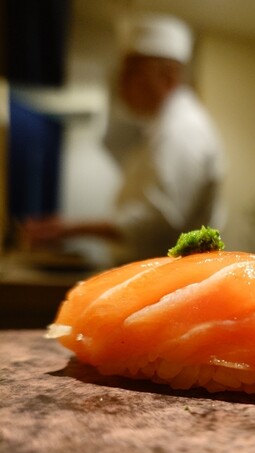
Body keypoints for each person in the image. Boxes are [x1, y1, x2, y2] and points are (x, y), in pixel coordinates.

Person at [23, 14, 226, 265]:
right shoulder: (161, 126)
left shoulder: (184, 129)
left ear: (168, 76)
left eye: (133, 72)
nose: (121, 83)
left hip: (171, 277)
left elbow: (157, 221)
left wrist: (69, 228)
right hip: (154, 272)